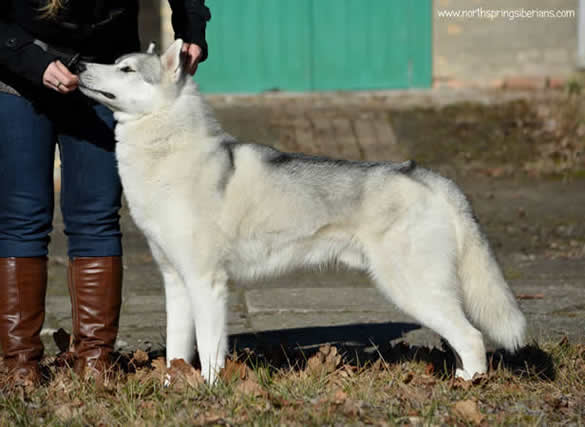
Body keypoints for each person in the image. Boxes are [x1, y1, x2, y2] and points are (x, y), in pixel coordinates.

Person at [0, 0, 210, 385]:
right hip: (17, 75)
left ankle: (96, 361)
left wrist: (192, 30)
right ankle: (19, 366)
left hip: (102, 76)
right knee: (22, 219)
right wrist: (33, 61)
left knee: (95, 216)